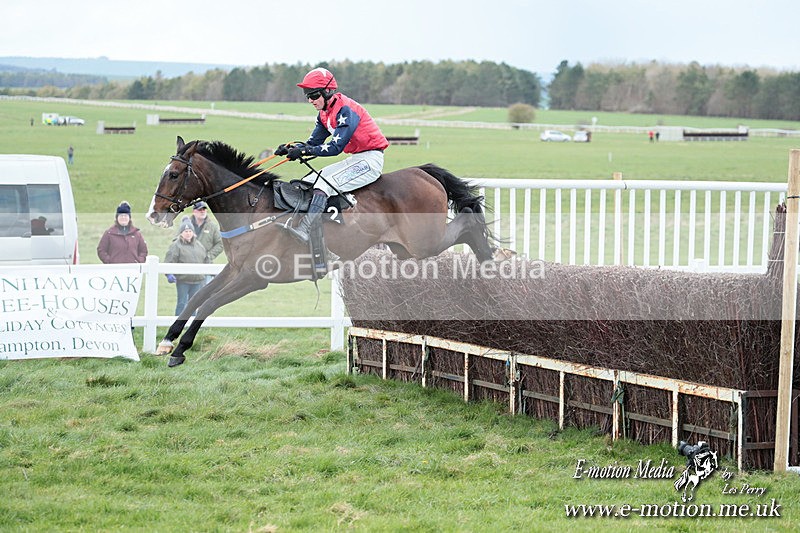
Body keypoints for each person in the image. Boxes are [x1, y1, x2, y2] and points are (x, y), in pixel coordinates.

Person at [275, 67, 389, 245]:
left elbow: (335, 147)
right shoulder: (324, 114)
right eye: (307, 96)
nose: (310, 101)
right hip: (355, 158)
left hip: (370, 160)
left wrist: (304, 151)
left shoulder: (346, 110)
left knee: (323, 185)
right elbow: (312, 143)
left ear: (327, 91)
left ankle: (305, 230)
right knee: (308, 180)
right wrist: (291, 148)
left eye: (313, 95)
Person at [165, 216, 208, 316]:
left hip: (198, 280)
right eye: (185, 231)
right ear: (181, 233)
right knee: (182, 303)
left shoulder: (199, 245)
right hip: (183, 281)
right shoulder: (176, 246)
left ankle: (190, 324)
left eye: (190, 231)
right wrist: (169, 274)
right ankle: (178, 322)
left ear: (193, 232)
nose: (188, 233)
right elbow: (170, 261)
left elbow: (205, 259)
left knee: (193, 304)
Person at [183, 201, 223, 285]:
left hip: (205, 265)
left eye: (204, 209)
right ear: (194, 211)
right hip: (188, 264)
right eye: (200, 209)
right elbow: (177, 240)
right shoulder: (186, 225)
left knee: (205, 292)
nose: (202, 211)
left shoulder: (212, 226)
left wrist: (208, 256)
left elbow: (220, 244)